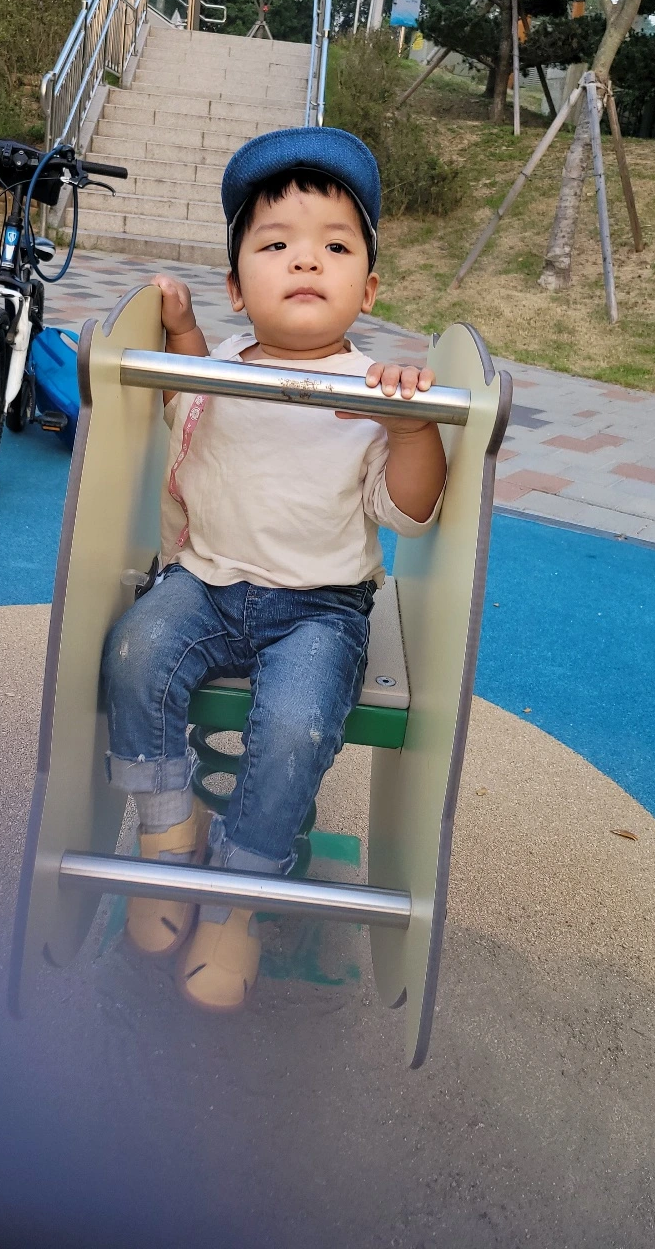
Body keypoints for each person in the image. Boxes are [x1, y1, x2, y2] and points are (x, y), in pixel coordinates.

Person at [101, 126, 447, 1012]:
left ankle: (239, 899)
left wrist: (412, 427)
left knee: (295, 727)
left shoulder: (376, 389)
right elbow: (178, 393)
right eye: (275, 245)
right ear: (235, 286)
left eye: (335, 247)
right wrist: (181, 328)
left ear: (367, 288)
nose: (305, 260)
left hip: (320, 609)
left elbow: (411, 511)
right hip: (205, 583)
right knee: (134, 652)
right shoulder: (218, 367)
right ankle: (167, 831)